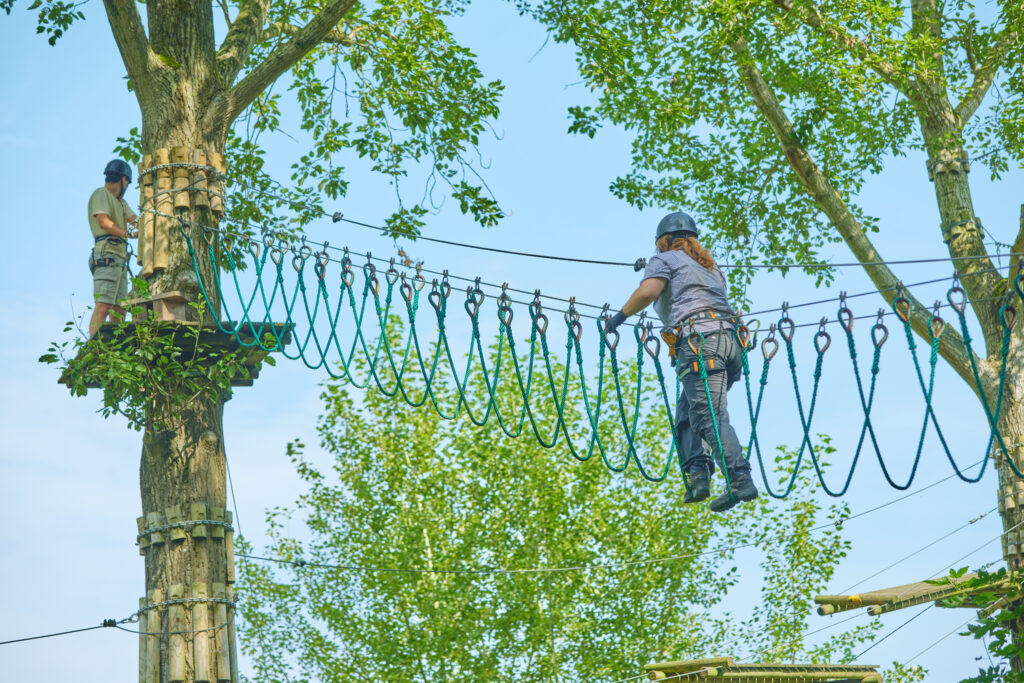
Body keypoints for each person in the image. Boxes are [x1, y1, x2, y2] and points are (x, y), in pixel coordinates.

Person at [605, 212, 758, 512]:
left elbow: (648, 292)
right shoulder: (711, 267)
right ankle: (698, 475)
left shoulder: (663, 259)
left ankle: (739, 477)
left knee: (708, 417)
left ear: (664, 241)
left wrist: (619, 317)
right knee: (689, 411)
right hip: (729, 344)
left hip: (701, 343)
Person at [88, 159, 138, 336]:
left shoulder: (121, 203)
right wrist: (126, 233)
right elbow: (103, 221)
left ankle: (114, 346)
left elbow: (136, 221)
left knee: (119, 309)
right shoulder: (101, 194)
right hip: (107, 253)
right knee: (104, 304)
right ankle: (94, 346)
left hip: (120, 259)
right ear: (124, 180)